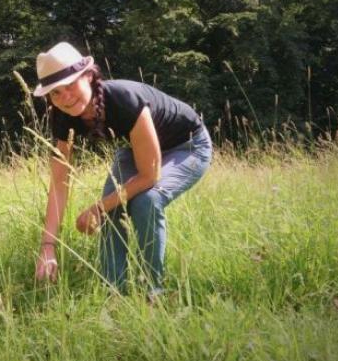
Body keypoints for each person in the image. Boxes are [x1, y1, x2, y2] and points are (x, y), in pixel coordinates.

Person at [33, 42, 212, 297]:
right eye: (55, 93)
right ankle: (113, 294)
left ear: (88, 76)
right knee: (111, 211)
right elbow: (59, 183)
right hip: (136, 150)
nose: (65, 98)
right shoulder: (62, 117)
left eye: (70, 85)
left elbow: (150, 176)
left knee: (145, 200)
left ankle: (153, 293)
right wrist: (48, 247)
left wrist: (97, 206)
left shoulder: (124, 100)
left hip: (188, 146)